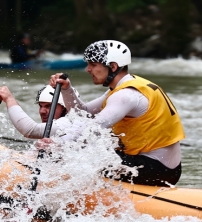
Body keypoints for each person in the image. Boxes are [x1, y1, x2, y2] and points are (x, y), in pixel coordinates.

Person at [45, 40, 185, 186]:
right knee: (87, 149)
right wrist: (67, 89)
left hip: (159, 170)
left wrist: (57, 145)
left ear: (113, 66)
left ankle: (51, 183)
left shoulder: (126, 95)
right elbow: (83, 113)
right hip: (155, 165)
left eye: (93, 65)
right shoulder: (125, 86)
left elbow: (94, 127)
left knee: (84, 153)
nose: (88, 69)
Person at [0, 84, 79, 140]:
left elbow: (30, 130)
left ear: (66, 109)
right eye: (40, 106)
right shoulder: (55, 132)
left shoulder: (70, 123)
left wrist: (9, 99)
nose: (42, 111)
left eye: (49, 106)